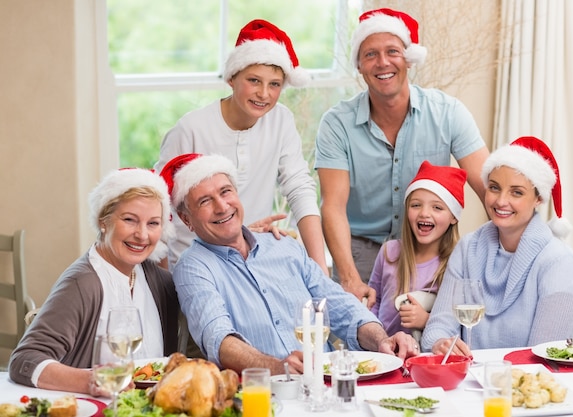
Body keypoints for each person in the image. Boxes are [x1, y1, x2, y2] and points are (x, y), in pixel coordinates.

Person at [160, 153, 419, 375]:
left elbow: (339, 305)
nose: (221, 206)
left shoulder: (284, 245)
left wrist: (382, 340)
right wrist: (278, 367)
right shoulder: (193, 268)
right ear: (186, 219)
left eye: (226, 192)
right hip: (262, 396)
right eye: (205, 201)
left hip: (323, 387)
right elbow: (218, 339)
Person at [314, 7, 489, 306]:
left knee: (429, 345)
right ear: (359, 65)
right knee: (360, 350)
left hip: (429, 253)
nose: (382, 62)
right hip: (360, 257)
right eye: (370, 54)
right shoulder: (336, 124)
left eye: (392, 51)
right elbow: (333, 206)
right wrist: (349, 278)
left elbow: (489, 188)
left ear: (408, 58)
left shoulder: (448, 113)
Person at [154, 19, 327, 274]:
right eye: (254, 81)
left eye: (275, 84)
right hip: (196, 268)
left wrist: (320, 267)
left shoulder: (281, 120)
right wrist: (164, 286)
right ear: (232, 78)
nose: (264, 94)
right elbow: (159, 206)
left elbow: (299, 187)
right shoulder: (191, 129)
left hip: (253, 262)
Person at [9, 168, 180, 395]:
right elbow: (24, 360)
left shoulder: (157, 280)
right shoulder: (82, 282)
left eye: (153, 223)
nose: (142, 235)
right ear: (103, 221)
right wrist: (90, 381)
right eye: (130, 220)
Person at [421, 136, 573, 355]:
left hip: (526, 384)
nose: (500, 201)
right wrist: (440, 343)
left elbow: (548, 355)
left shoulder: (559, 262)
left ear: (538, 199)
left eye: (516, 192)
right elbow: (437, 328)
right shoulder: (468, 248)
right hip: (467, 382)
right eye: (494, 188)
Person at [369, 161, 466, 344]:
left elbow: (460, 326)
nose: (424, 214)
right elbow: (375, 302)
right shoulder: (389, 252)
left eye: (437, 207)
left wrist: (425, 321)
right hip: (386, 355)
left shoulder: (456, 263)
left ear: (453, 216)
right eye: (416, 205)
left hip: (425, 360)